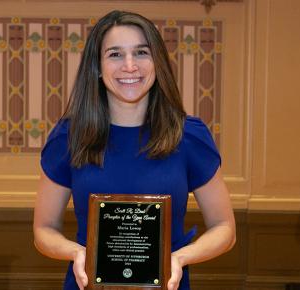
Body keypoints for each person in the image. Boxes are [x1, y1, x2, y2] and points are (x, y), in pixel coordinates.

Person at [33, 10, 236, 290]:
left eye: (141, 52)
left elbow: (225, 227)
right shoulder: (69, 136)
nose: (130, 66)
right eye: (115, 54)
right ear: (97, 66)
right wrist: (76, 253)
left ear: (158, 62)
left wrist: (178, 259)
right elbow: (43, 229)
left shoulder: (188, 135)